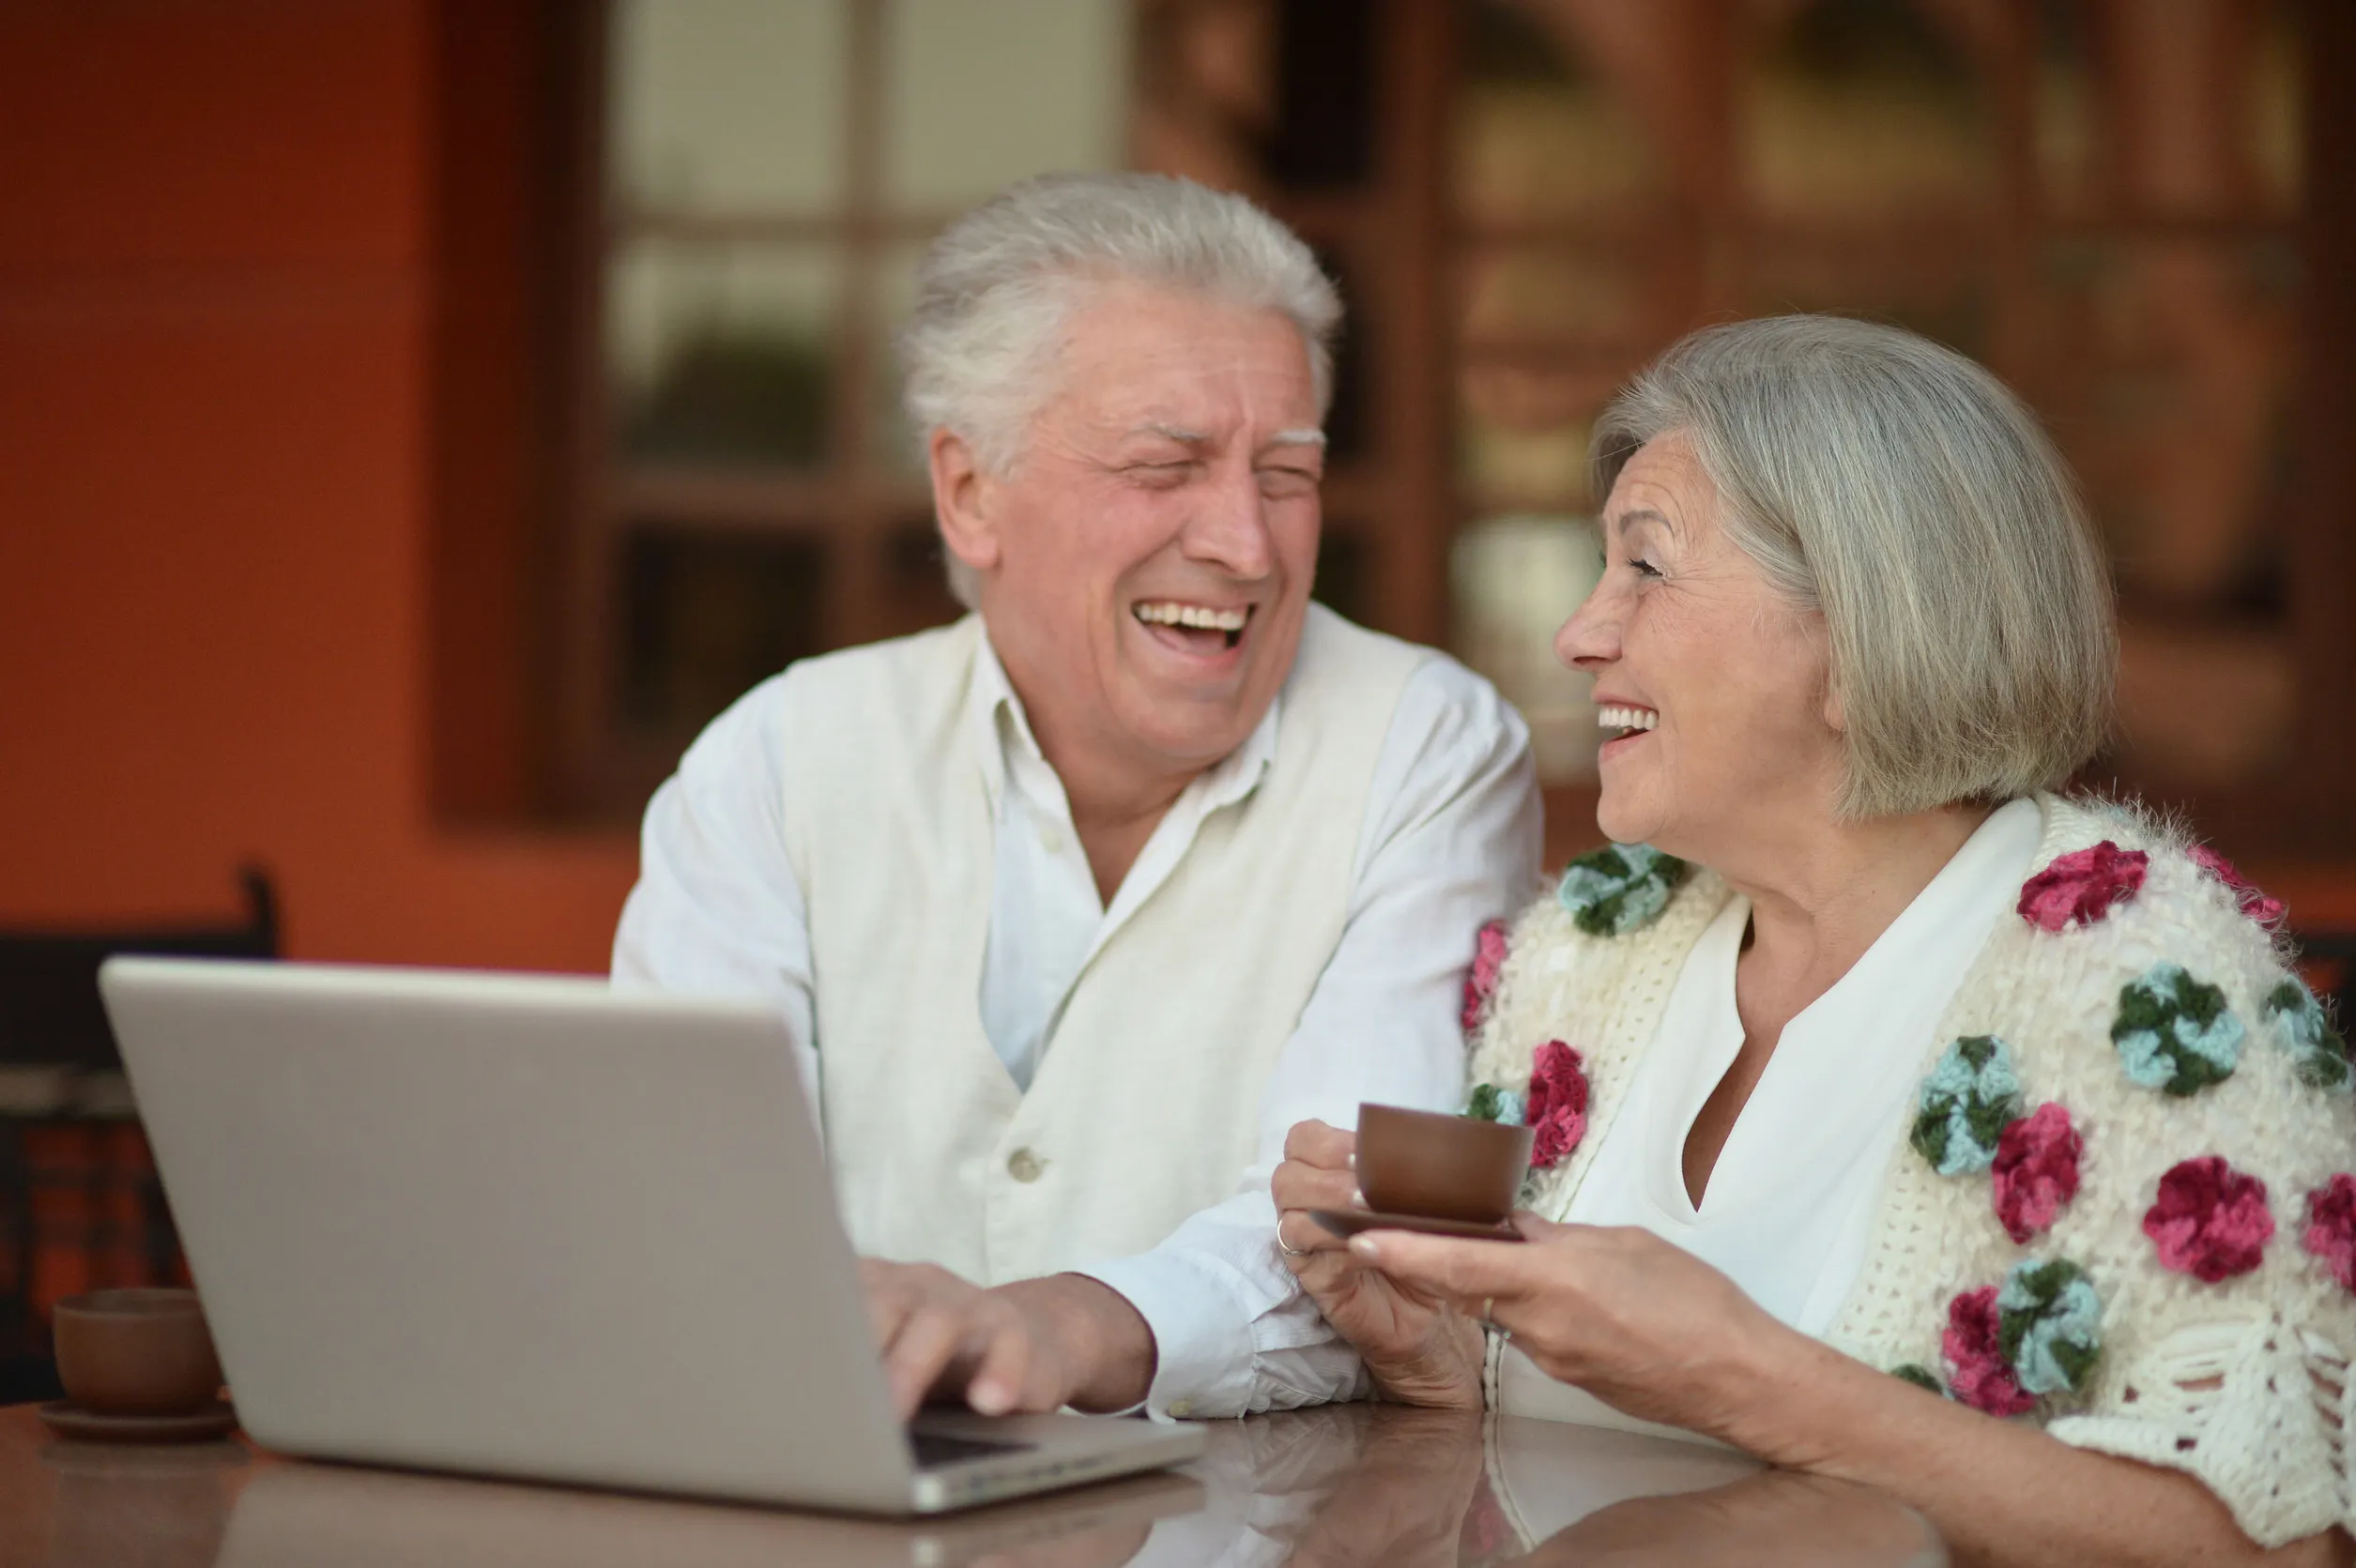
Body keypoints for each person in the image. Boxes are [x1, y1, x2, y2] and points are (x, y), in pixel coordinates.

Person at [1275, 315, 2354, 1563]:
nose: (1580, 630)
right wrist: (1433, 1351)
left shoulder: (2140, 978)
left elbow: (2277, 1547)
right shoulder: (1585, 948)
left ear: (1859, 627)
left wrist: (1743, 1373)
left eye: (1647, 568)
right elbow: (1567, 1456)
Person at [611, 172, 1539, 1422]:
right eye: (1165, 464)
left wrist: (1058, 1323)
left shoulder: (1426, 745)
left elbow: (1358, 1223)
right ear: (968, 492)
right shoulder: (777, 758)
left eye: (1285, 471)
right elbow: (679, 1209)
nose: (1245, 544)